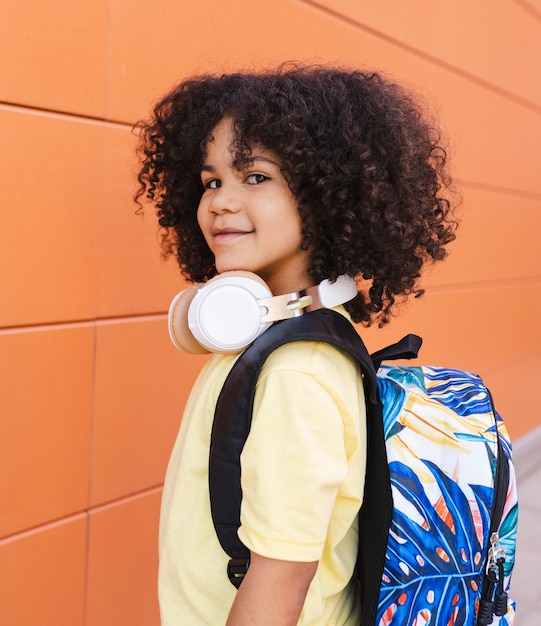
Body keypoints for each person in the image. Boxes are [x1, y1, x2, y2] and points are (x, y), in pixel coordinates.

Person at [134, 64, 458, 625]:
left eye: (255, 177)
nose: (220, 203)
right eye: (212, 181)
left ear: (327, 193)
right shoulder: (262, 343)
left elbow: (280, 580)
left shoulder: (295, 373)